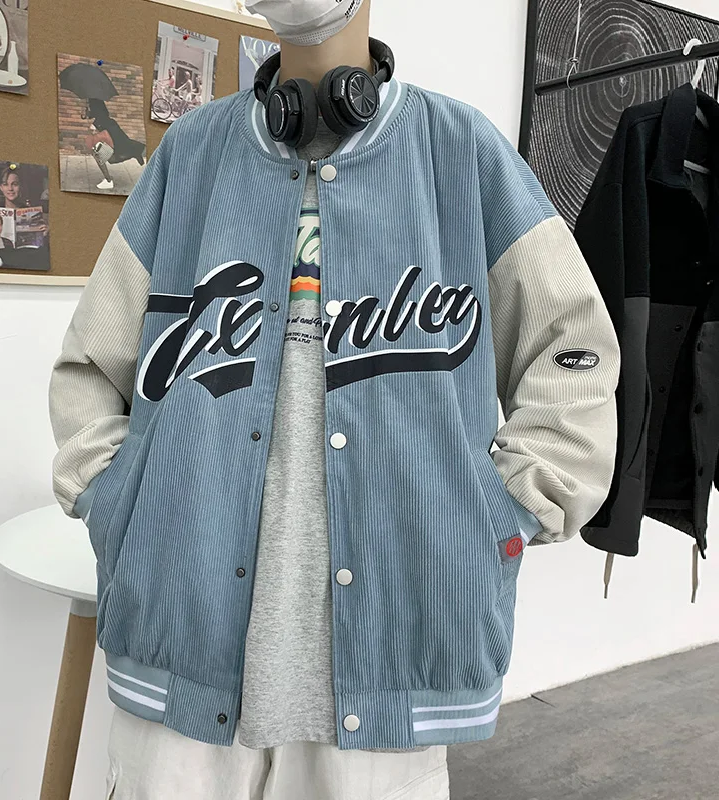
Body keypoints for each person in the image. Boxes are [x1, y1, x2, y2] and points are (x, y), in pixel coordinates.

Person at [48, 0, 621, 797]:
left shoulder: (461, 152)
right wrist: (117, 501)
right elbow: (90, 365)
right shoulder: (192, 156)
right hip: (183, 635)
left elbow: (572, 348)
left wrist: (509, 509)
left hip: (398, 640)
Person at [82, 98, 146, 190]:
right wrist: (88, 114)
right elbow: (99, 113)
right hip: (110, 128)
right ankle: (136, 152)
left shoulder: (94, 99)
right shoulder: (93, 99)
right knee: (119, 151)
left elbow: (102, 114)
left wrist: (95, 124)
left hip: (110, 131)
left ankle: (108, 181)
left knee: (104, 154)